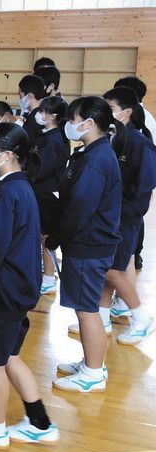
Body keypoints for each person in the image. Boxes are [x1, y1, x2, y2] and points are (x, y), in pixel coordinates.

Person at [0, 122, 59, 450]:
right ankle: (40, 422)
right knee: (9, 356)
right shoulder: (20, 187)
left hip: (2, 292)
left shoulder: (7, 193)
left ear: (6, 156)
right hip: (19, 288)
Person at [45, 97, 122, 393]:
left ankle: (92, 372)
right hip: (88, 244)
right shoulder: (91, 153)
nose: (69, 125)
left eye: (73, 119)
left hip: (88, 245)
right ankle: (92, 361)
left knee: (86, 310)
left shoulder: (97, 160)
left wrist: (57, 237)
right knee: (84, 308)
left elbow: (79, 209)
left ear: (88, 124)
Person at [95, 86, 156, 345]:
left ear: (127, 112)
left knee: (113, 270)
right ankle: (102, 318)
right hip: (111, 216)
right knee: (108, 268)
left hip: (124, 218)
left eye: (111, 110)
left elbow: (144, 186)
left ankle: (142, 317)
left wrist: (123, 212)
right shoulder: (115, 138)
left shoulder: (139, 142)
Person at [114, 76, 156, 270]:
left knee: (125, 252)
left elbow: (145, 176)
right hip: (123, 199)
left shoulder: (142, 124)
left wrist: (130, 198)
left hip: (131, 198)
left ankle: (135, 254)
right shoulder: (123, 127)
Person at [33, 96, 71, 295]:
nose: (39, 114)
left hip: (46, 192)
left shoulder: (54, 139)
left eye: (43, 111)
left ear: (53, 116)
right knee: (41, 234)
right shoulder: (48, 136)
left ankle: (48, 278)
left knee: (45, 235)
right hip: (42, 190)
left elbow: (42, 168)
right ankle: (46, 273)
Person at [18, 74, 47, 146]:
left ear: (29, 96)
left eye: (20, 95)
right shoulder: (42, 114)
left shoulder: (34, 119)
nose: (20, 99)